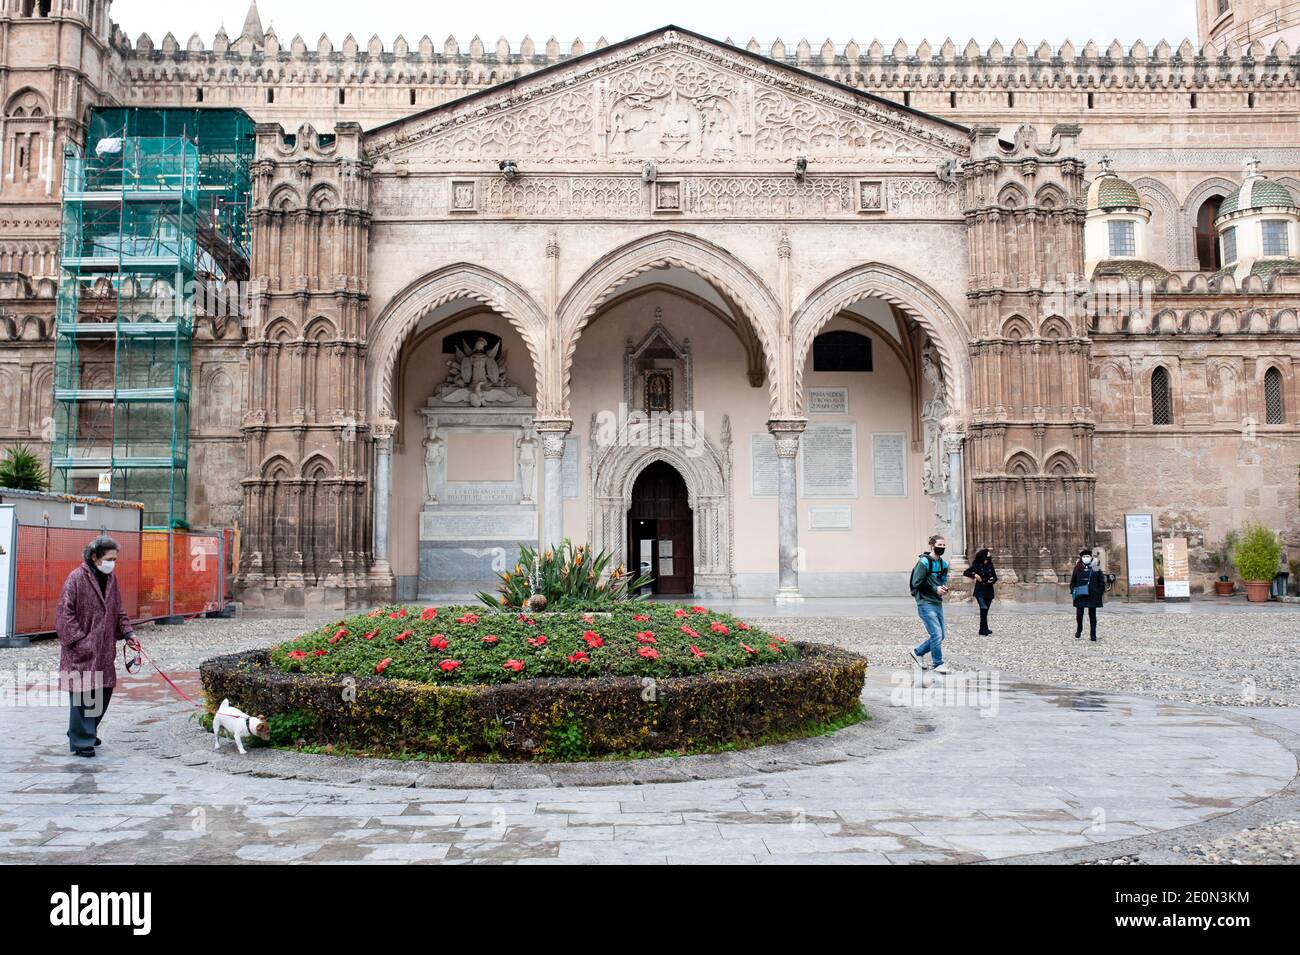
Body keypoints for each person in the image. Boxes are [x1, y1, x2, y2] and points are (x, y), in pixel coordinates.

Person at [56, 536, 139, 757]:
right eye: (110, 558)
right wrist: (81, 641)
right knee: (83, 696)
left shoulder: (111, 579)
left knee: (104, 692)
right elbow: (65, 615)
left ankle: (85, 731)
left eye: (115, 559)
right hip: (80, 651)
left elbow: (119, 610)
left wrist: (128, 633)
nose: (113, 563)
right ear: (95, 557)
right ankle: (82, 741)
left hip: (104, 650)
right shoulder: (75, 578)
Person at [908, 534, 952, 675]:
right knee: (937, 634)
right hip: (925, 602)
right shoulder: (924, 562)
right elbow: (916, 583)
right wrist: (934, 589)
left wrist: (944, 588)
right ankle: (938, 663)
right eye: (939, 545)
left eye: (944, 546)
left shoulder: (943, 564)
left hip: (937, 602)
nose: (942, 548)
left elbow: (943, 580)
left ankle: (918, 652)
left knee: (941, 635)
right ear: (932, 546)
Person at [1070, 548, 1105, 642]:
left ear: (1091, 557)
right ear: (1081, 558)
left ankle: (1093, 634)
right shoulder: (1077, 567)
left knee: (1092, 614)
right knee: (1079, 613)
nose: (1086, 558)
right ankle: (1079, 629)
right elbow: (1073, 581)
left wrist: (1099, 592)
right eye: (1084, 556)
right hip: (1080, 593)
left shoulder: (1095, 567)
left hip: (1092, 594)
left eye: (1088, 556)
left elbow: (1101, 581)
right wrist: (1073, 591)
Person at [963, 548, 997, 636]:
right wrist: (975, 575)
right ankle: (982, 630)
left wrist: (992, 580)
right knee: (983, 608)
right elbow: (966, 572)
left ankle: (984, 629)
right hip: (980, 591)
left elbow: (995, 577)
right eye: (988, 553)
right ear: (984, 555)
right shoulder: (977, 565)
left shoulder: (990, 565)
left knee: (985, 611)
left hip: (989, 590)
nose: (990, 554)